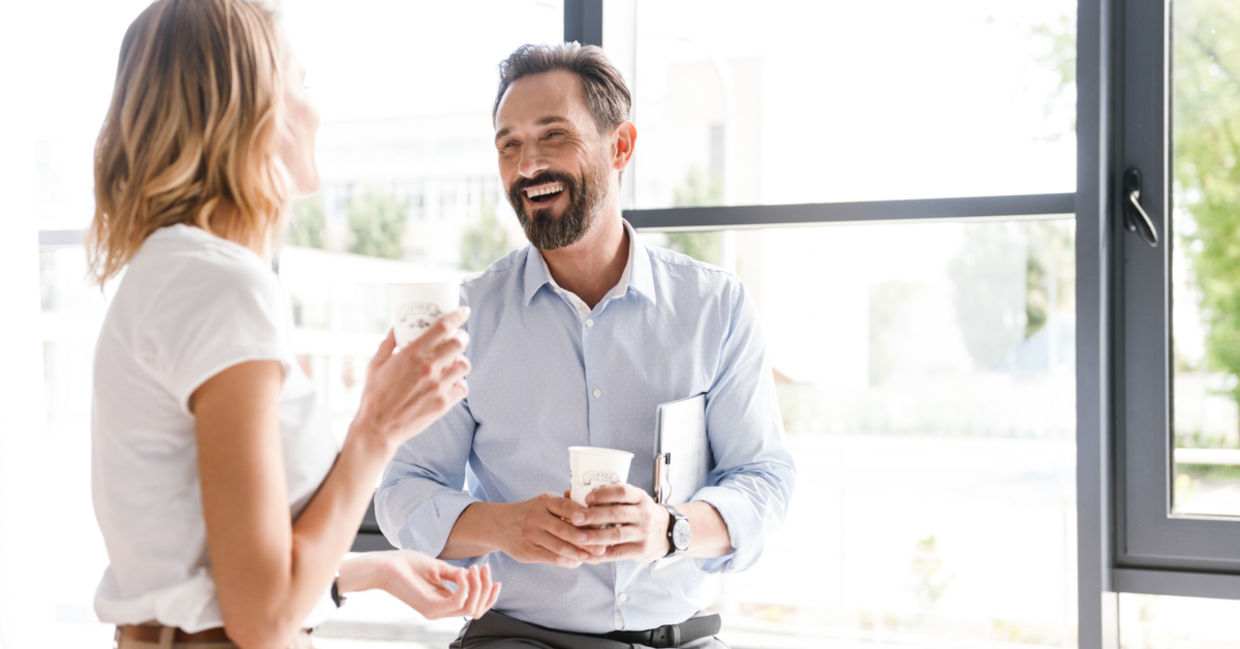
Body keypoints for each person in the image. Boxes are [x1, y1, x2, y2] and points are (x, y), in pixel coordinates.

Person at [88, 2, 498, 648]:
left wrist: (373, 570)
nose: (316, 109)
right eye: (302, 81)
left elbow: (220, 569)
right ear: (252, 108)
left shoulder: (172, 271)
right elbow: (264, 618)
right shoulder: (222, 287)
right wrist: (377, 428)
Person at [375, 43, 795, 649]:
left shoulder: (715, 307)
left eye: (553, 136)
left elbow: (763, 477)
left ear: (620, 146)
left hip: (676, 637)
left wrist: (670, 530)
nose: (527, 166)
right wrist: (504, 525)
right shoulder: (465, 319)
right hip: (516, 637)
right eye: (509, 145)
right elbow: (403, 492)